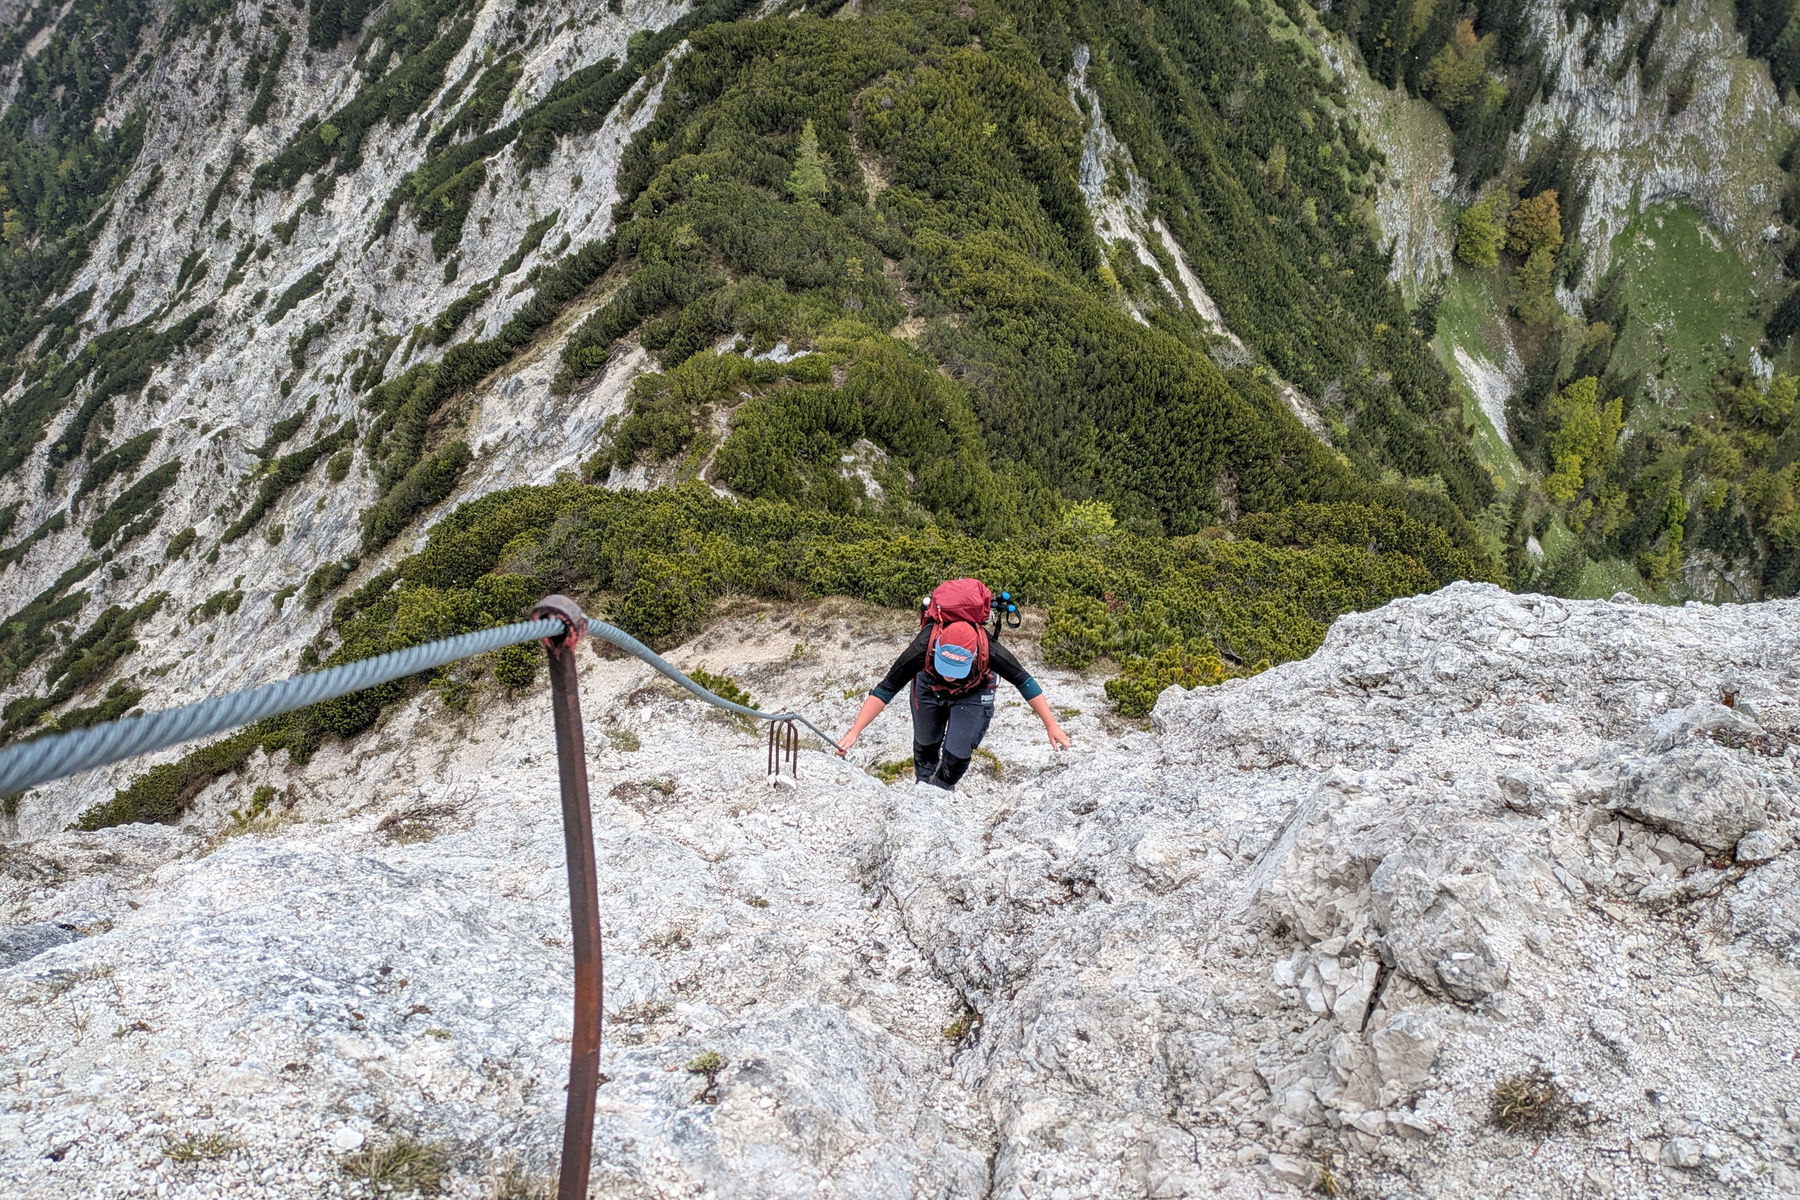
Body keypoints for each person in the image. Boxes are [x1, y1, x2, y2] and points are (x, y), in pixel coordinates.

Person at [834, 581, 1071, 789]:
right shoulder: (923, 645)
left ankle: (939, 791)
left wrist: (1051, 725)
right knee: (925, 746)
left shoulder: (989, 650)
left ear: (973, 655)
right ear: (937, 649)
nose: (949, 676)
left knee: (957, 755)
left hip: (973, 692)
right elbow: (885, 690)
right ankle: (923, 783)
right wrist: (855, 732)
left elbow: (1024, 681)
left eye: (955, 671)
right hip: (927, 688)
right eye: (945, 667)